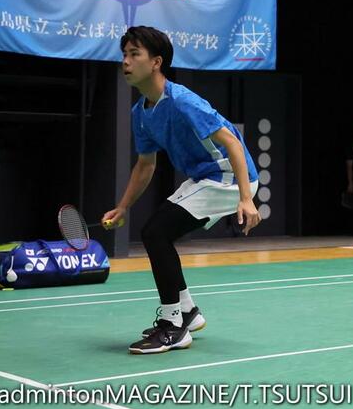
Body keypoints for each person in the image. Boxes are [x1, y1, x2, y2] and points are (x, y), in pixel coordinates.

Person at [103, 27, 259, 354]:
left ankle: (175, 325)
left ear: (156, 62)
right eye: (124, 55)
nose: (126, 62)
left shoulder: (184, 101)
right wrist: (123, 206)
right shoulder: (140, 114)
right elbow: (145, 165)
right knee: (157, 232)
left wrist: (246, 198)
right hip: (205, 177)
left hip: (229, 176)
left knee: (156, 232)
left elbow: (231, 141)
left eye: (134, 54)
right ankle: (187, 310)